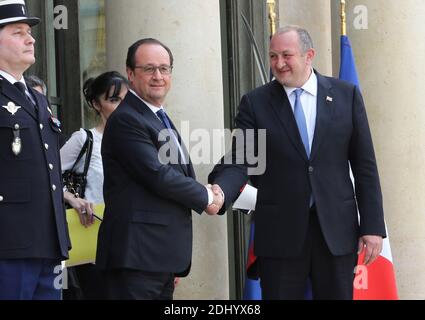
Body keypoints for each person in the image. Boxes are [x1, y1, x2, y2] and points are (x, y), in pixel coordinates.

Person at [208, 25, 386, 300]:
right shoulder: (255, 103)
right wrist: (221, 190)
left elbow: (365, 166)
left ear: (309, 55)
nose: (278, 64)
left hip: (335, 232)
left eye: (286, 55)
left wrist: (372, 226)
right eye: (273, 56)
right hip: (280, 235)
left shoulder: (345, 95)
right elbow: (241, 158)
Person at [96, 38, 223, 300]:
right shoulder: (127, 119)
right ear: (130, 74)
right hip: (136, 260)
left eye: (164, 69)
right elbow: (158, 175)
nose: (158, 76)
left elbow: (174, 174)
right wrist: (207, 196)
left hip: (158, 259)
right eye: (149, 69)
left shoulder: (155, 116)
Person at [0, 0, 70, 300]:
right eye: (18, 32)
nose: (30, 39)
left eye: (29, 32)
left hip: (49, 241)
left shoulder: (37, 99)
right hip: (8, 243)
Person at [60, 71, 128, 299]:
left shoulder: (142, 139)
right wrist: (71, 197)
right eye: (113, 99)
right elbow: (44, 175)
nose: (121, 106)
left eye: (126, 100)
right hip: (92, 236)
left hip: (132, 238)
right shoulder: (84, 139)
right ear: (95, 104)